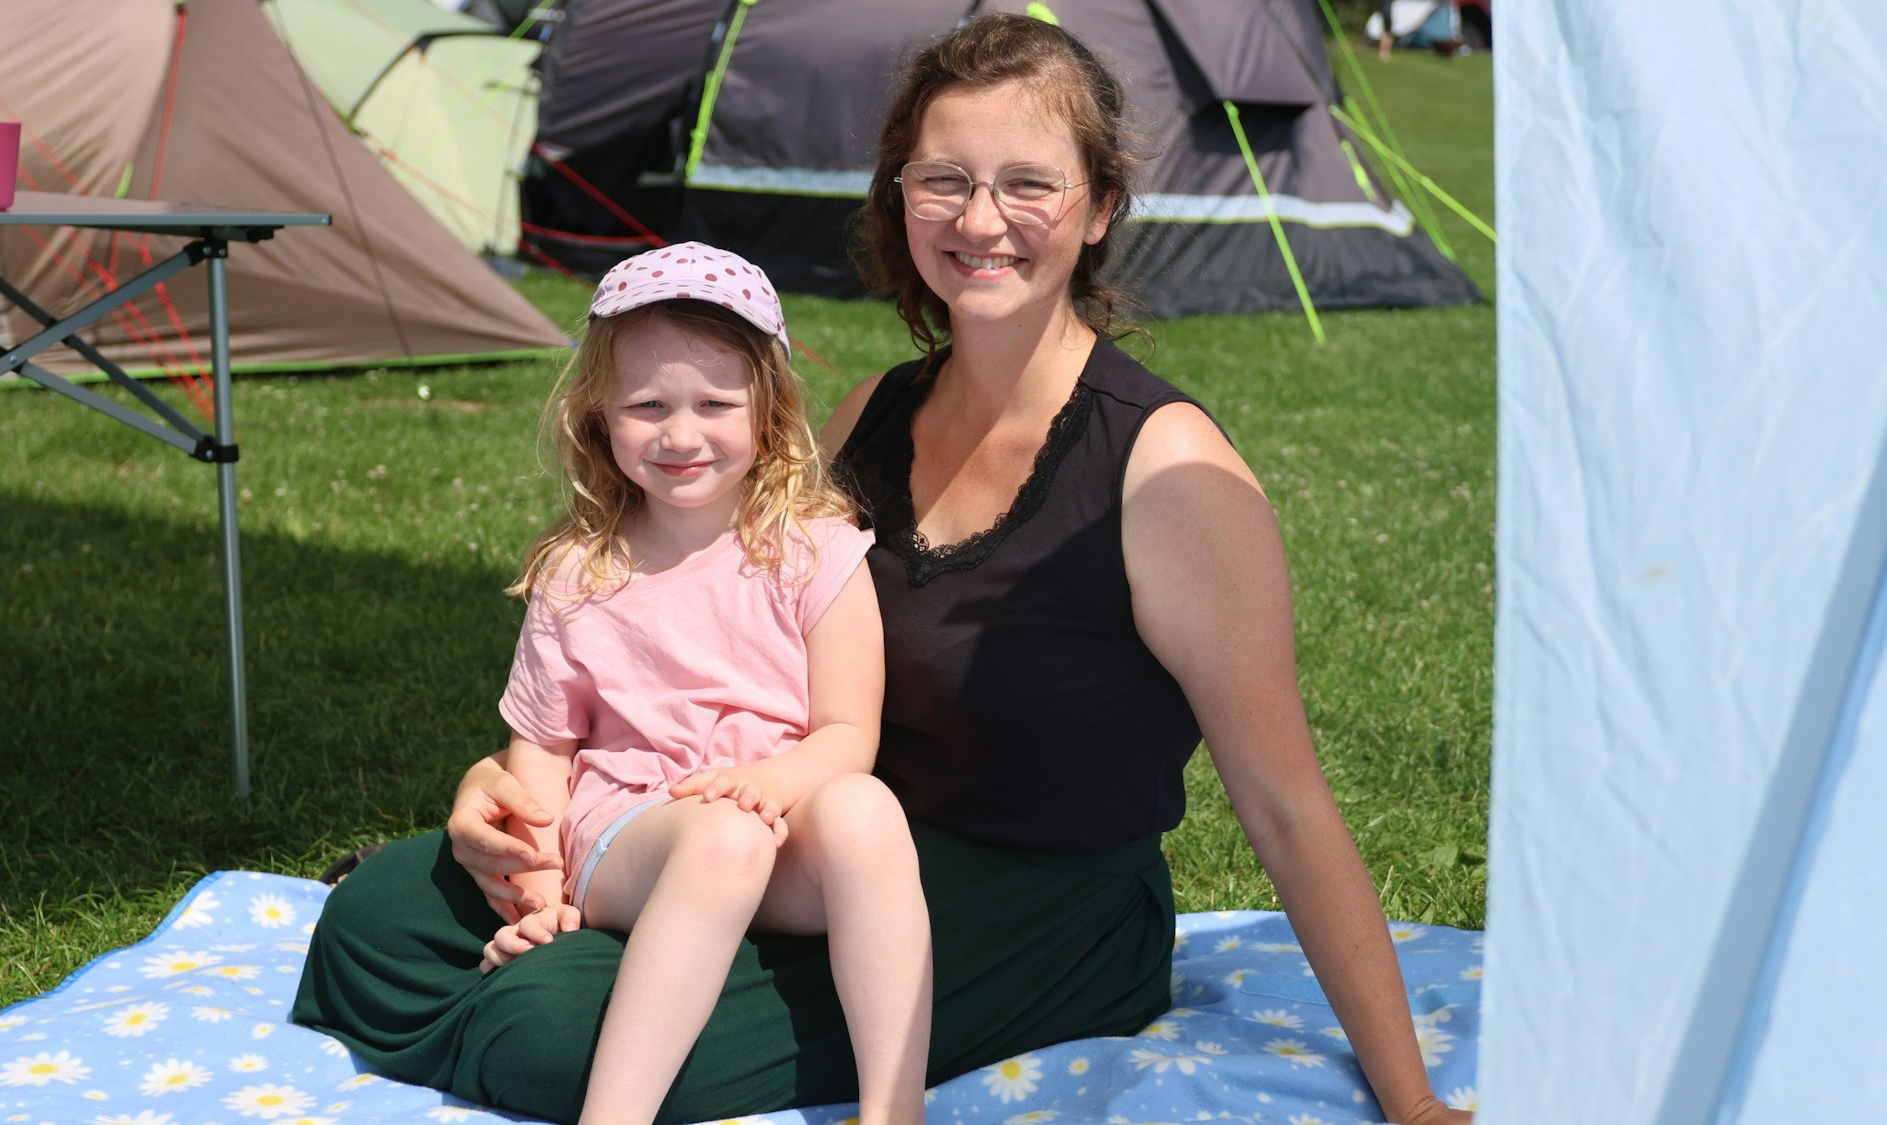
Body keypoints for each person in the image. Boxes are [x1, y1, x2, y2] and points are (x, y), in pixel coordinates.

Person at [294, 15, 1471, 1125]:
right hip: (815, 838)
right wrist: (502, 789)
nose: (980, 218)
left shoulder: (1165, 472)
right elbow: (706, 625)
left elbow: (1283, 801)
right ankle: (580, 953)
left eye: (1028, 182)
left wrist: (1408, 1100)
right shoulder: (874, 415)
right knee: (381, 910)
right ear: (899, 197)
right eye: (942, 179)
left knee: (542, 1036)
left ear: (1100, 204)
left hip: (1035, 903)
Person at [460, 241, 927, 1125]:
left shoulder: (819, 551)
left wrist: (771, 783)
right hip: (635, 834)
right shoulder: (579, 571)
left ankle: (894, 1108)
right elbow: (544, 754)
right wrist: (539, 894)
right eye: (647, 405)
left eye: (715, 403)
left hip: (775, 818)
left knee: (868, 810)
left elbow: (845, 735)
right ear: (599, 415)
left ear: (770, 408)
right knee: (723, 840)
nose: (681, 434)